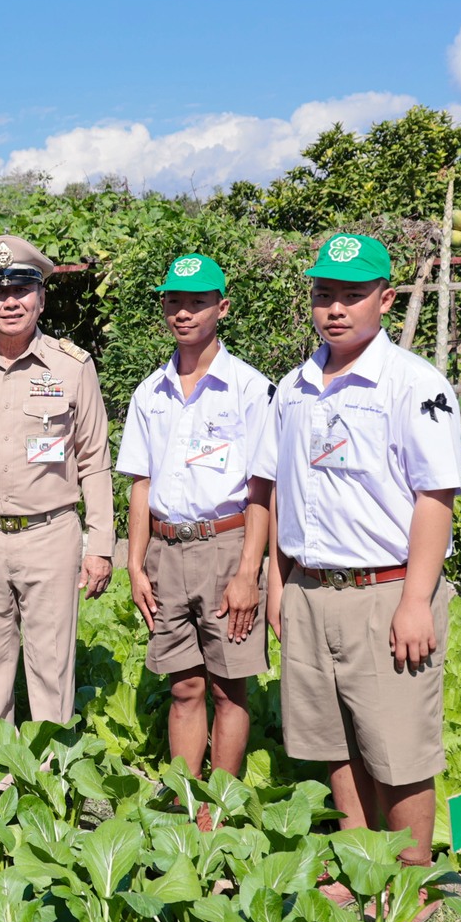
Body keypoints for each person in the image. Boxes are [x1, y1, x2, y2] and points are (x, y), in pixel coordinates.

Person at [257, 232, 461, 878]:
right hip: (312, 589)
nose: (336, 308)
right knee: (334, 744)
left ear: (386, 299)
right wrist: (276, 580)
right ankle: (358, 868)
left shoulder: (415, 385)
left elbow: (436, 497)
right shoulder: (292, 389)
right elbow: (279, 488)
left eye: (353, 294)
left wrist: (414, 601)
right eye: (324, 295)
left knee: (398, 750)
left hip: (386, 592)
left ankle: (407, 887)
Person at [0, 234, 114, 724]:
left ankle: (50, 776)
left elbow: (93, 458)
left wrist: (100, 545)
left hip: (50, 535)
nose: (11, 302)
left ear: (41, 297)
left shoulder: (73, 368)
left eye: (22, 289)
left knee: (51, 663)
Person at [116, 253, 274, 794]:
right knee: (183, 685)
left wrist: (248, 572)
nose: (185, 313)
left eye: (198, 302)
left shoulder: (250, 389)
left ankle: (222, 806)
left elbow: (261, 489)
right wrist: (135, 565)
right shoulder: (149, 394)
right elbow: (139, 484)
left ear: (222, 308)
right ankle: (188, 804)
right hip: (166, 552)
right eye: (175, 301)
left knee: (231, 688)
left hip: (225, 548)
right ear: (163, 307)